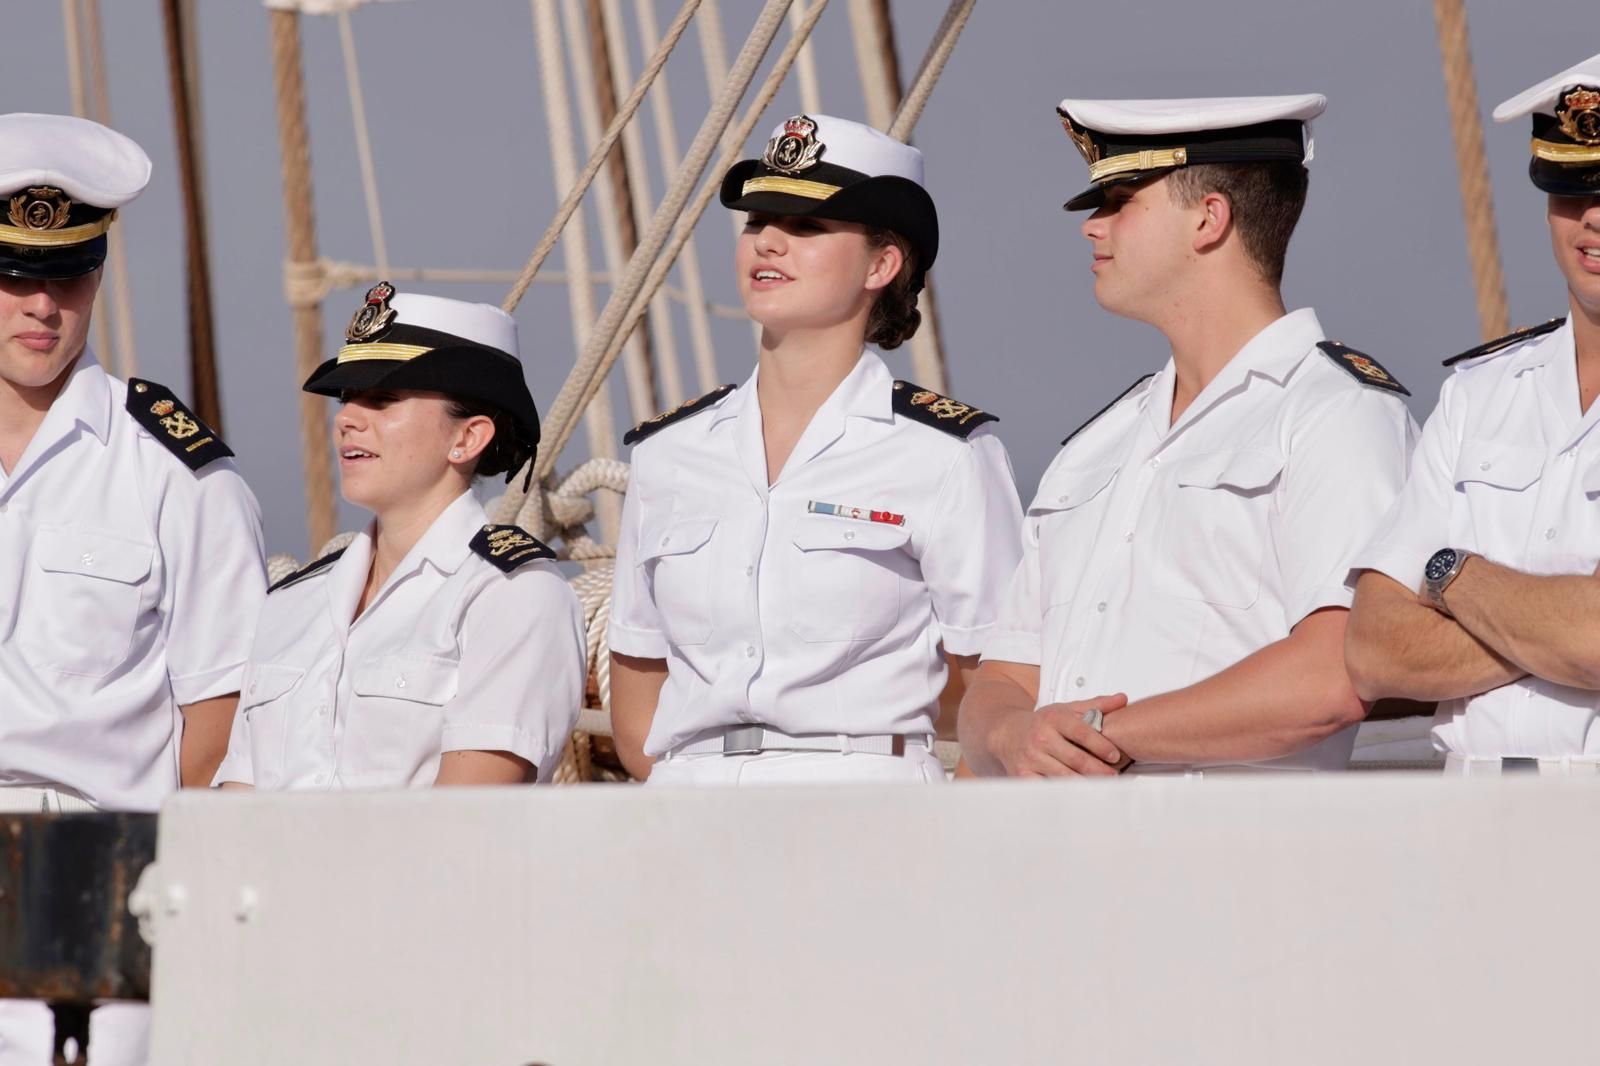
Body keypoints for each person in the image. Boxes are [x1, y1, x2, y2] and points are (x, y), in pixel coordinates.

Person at [959, 95, 1417, 778]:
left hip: (1227, 865)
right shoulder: (1098, 444)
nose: (1093, 227)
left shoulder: (1336, 415)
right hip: (1059, 862)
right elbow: (1003, 679)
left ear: (1209, 219)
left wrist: (1093, 736)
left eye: (1118, 200)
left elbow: (1336, 673)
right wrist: (1010, 736)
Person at [608, 114, 1022, 785]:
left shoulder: (946, 454)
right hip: (686, 815)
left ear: (883, 263)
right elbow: (637, 696)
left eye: (806, 227)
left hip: (864, 814)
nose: (768, 242)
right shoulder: (667, 453)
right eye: (756, 222)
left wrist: (945, 841)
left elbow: (1004, 682)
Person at [0, 114, 266, 1065]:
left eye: (66, 274)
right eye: (14, 275)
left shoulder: (174, 472)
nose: (41, 305)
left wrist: (161, 874)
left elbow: (225, 705)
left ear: (98, 276)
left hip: (99, 873)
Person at [211, 285, 584, 790]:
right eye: (347, 399)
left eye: (382, 400)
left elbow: (466, 822)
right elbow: (236, 810)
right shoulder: (289, 606)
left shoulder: (513, 596)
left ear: (467, 438)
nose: (346, 418)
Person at [1344, 54, 1600, 775]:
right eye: (1571, 188)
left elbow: (1594, 640)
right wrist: (1553, 631)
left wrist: (1449, 575)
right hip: (1467, 822)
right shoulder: (1479, 393)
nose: (1592, 217)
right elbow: (1375, 650)